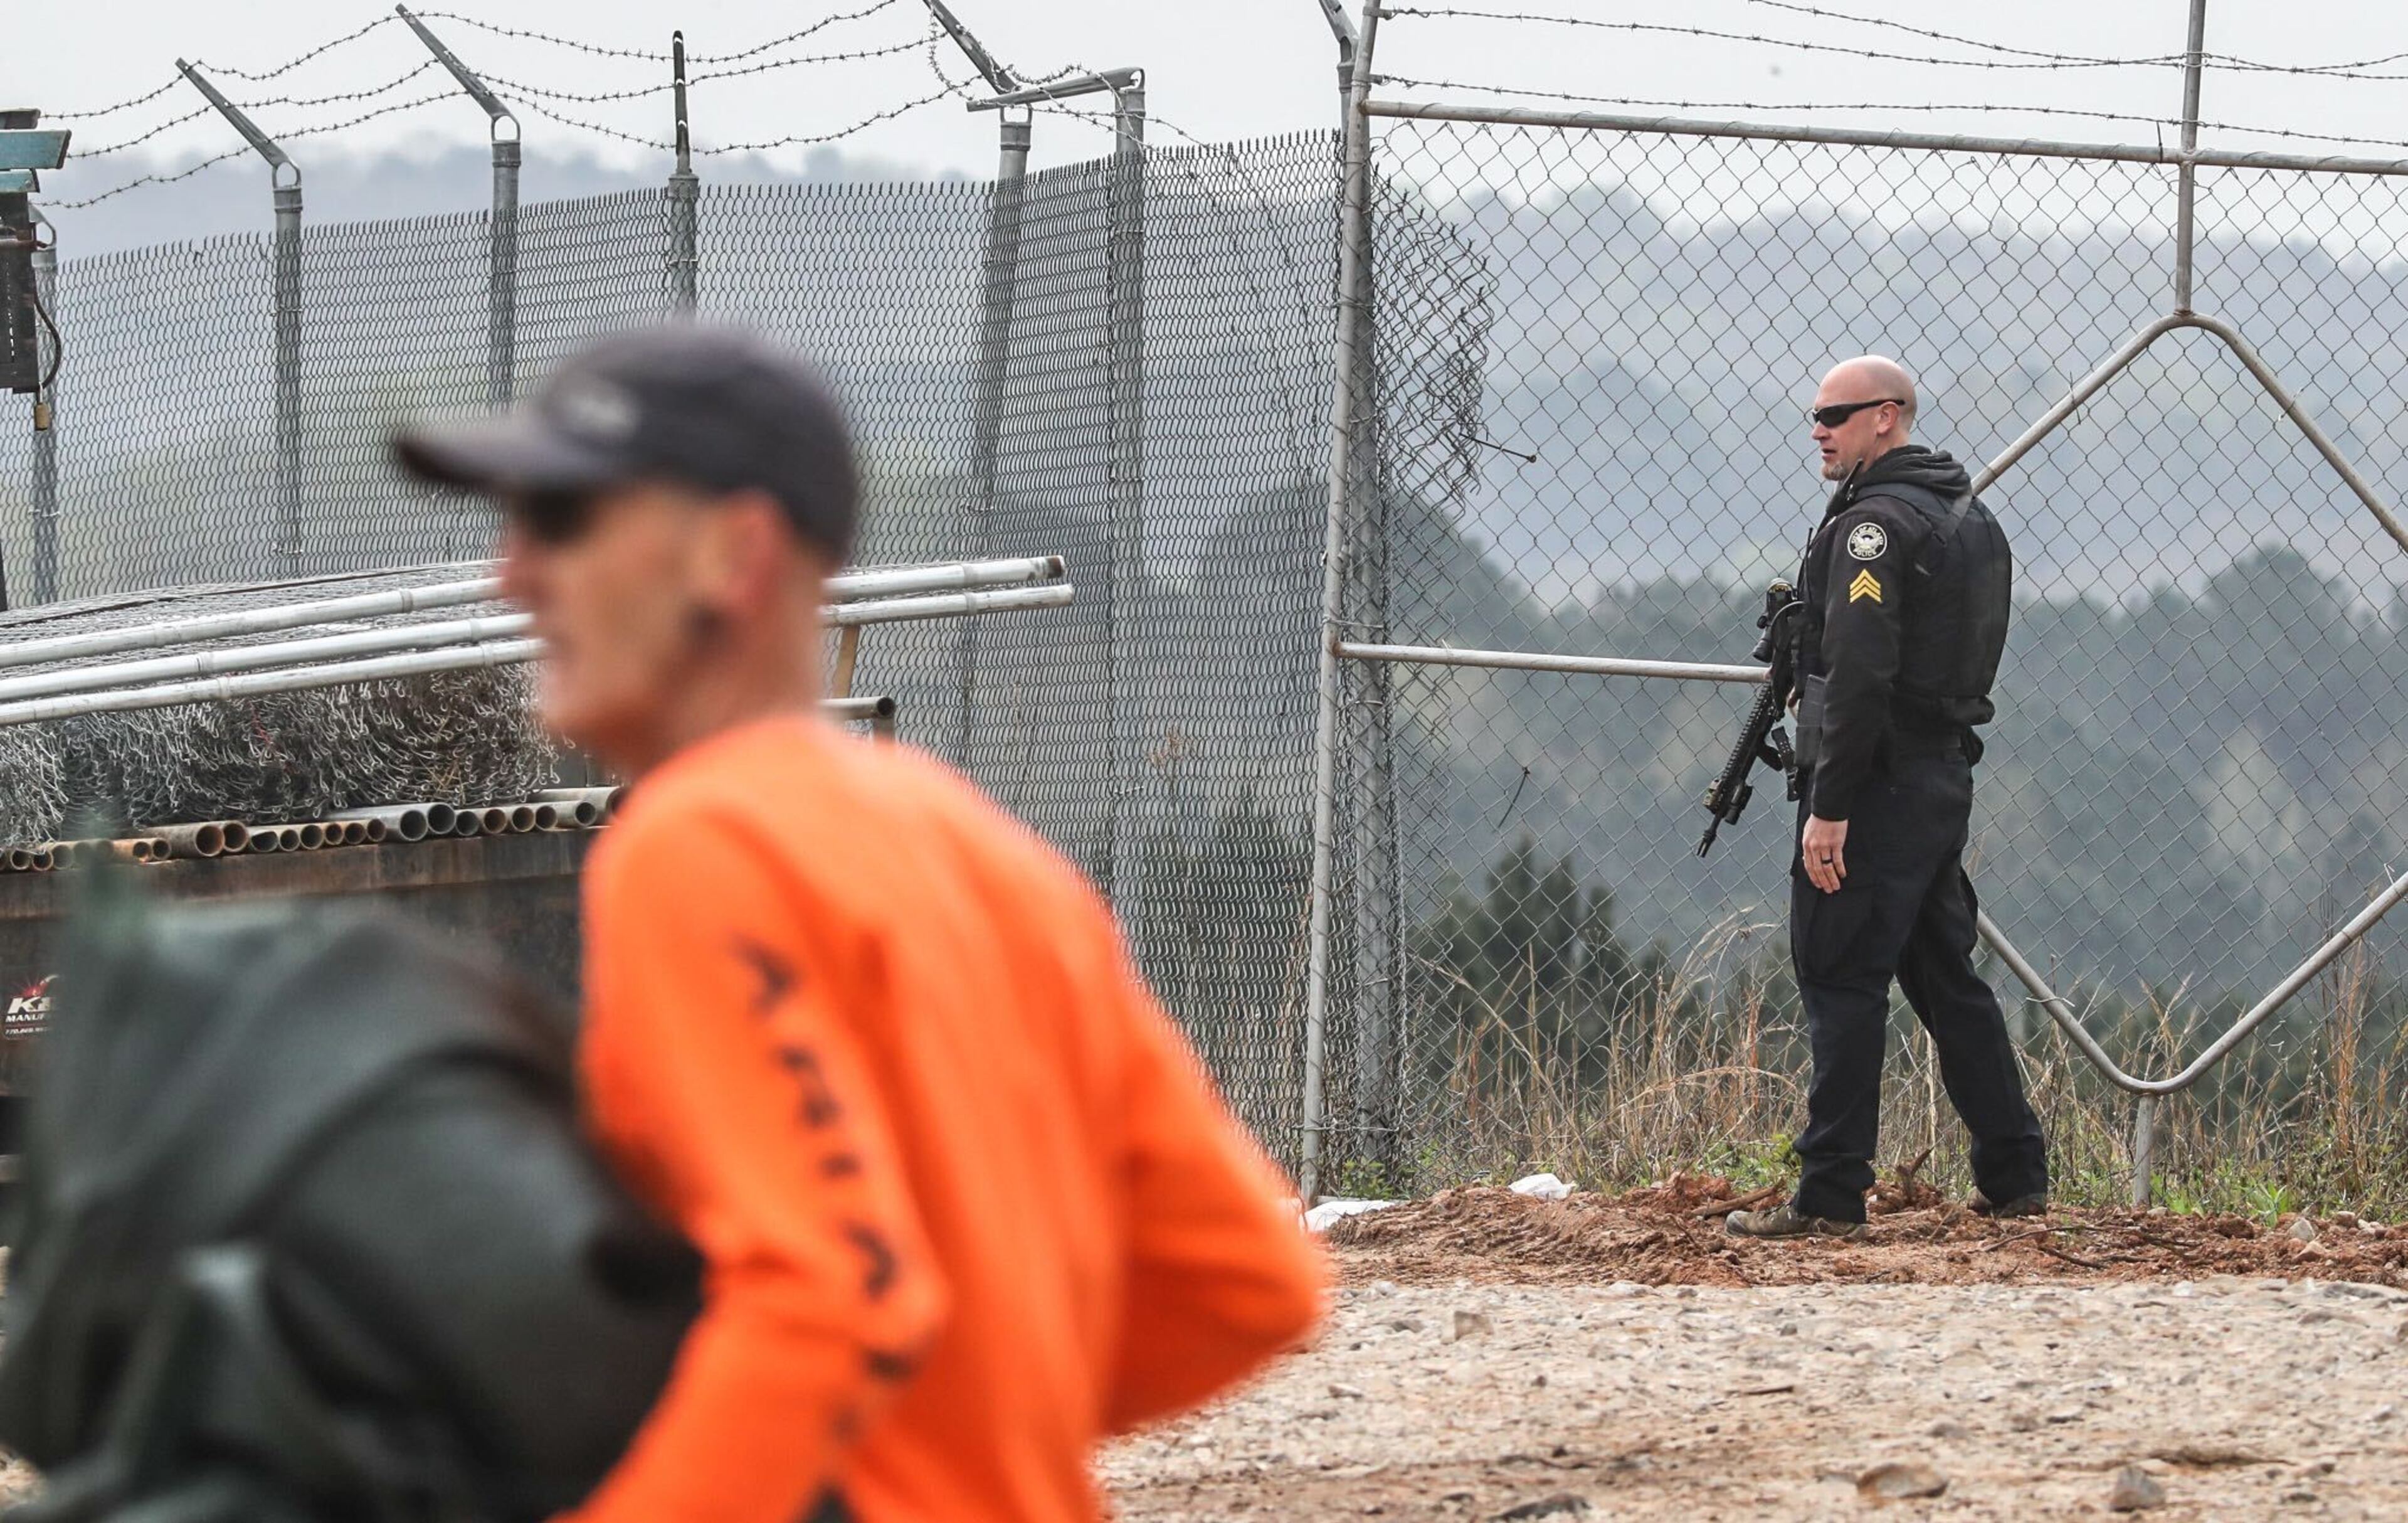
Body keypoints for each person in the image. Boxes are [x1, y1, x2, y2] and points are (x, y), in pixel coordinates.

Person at [393, 325, 1325, 1523]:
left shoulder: (699, 844)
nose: (510, 574)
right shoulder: (990, 856)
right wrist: (970, 1441)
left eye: (563, 522)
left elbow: (827, 1294)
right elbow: (1249, 1280)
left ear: (735, 555)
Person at [1726, 355, 2049, 1241]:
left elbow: (1863, 674)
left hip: (1876, 782)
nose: (1819, 429)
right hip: (1939, 775)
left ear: (1888, 417)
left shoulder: (1874, 527)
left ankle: (1829, 1195)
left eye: (1836, 413)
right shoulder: (1966, 514)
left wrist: (1830, 808)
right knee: (1948, 980)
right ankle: (2017, 1175)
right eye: (1814, 414)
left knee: (1840, 977)